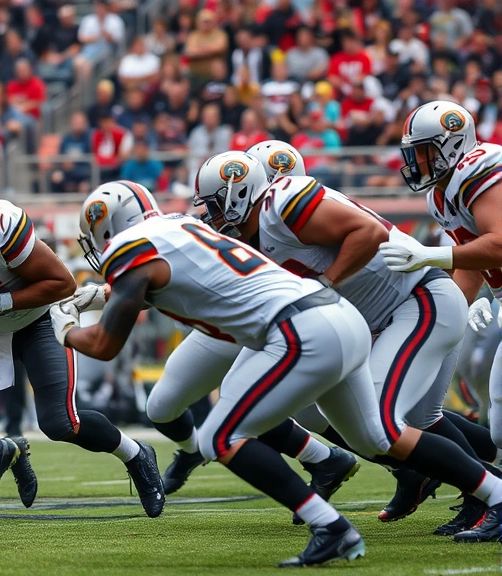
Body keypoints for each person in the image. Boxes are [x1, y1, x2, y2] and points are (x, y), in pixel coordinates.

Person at [57, 182, 380, 566]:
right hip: (327, 311)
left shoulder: (130, 247)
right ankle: (469, 486)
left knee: (222, 433)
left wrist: (64, 330)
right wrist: (109, 293)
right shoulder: (179, 225)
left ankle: (330, 524)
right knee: (380, 435)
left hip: (283, 326)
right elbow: (175, 276)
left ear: (106, 227)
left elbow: (106, 345)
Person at [197, 149, 502, 542]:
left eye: (214, 205)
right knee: (366, 432)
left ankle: (490, 494)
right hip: (378, 320)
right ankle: (445, 482)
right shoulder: (251, 236)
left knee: (383, 423)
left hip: (418, 301)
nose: (210, 216)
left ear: (239, 193)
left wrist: (326, 285)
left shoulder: (283, 203)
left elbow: (370, 233)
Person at [0, 156, 163, 520]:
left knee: (61, 424)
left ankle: (136, 454)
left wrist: (3, 299)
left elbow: (62, 283)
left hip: (38, 322)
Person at [381, 101, 502, 538]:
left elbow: (500, 243)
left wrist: (430, 255)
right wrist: (453, 307)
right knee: (500, 423)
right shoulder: (441, 191)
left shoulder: (480, 169)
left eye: (426, 151)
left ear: (454, 144)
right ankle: (489, 498)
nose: (416, 161)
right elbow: (470, 263)